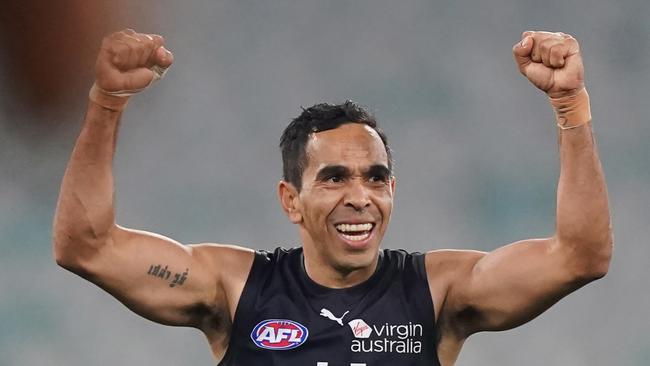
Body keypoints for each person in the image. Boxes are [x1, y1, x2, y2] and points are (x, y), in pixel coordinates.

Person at [53, 29, 612, 365]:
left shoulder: (439, 293)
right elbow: (86, 247)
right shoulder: (233, 289)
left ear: (393, 191)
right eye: (334, 177)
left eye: (375, 178)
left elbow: (580, 256)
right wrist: (108, 100)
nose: (359, 196)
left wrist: (571, 108)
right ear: (290, 200)